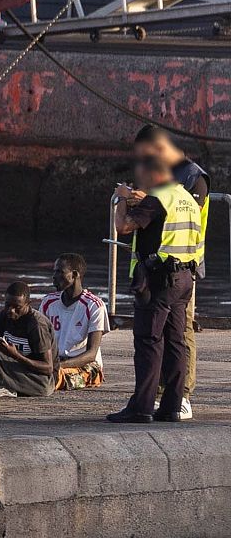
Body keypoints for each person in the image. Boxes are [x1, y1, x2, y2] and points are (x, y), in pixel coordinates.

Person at [109, 155, 202, 422]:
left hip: (159, 279)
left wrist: (122, 199)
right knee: (176, 342)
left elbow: (123, 226)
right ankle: (172, 406)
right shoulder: (186, 198)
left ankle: (141, 408)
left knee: (149, 341)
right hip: (184, 277)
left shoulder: (159, 197)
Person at [134, 124, 208, 418]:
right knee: (169, 337)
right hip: (168, 268)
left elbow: (138, 221)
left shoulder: (191, 178)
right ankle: (169, 402)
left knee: (173, 336)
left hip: (179, 268)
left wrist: (141, 201)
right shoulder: (170, 179)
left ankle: (180, 396)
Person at [39, 253, 109, 391]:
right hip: (54, 361)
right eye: (54, 271)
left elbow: (91, 353)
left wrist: (60, 365)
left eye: (60, 272)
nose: (54, 276)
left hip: (84, 366)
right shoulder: (48, 302)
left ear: (75, 274)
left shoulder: (94, 305)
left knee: (54, 377)